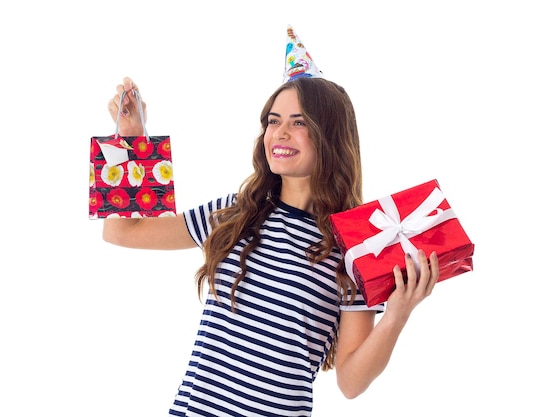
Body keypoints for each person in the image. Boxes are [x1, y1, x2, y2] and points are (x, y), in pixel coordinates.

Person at [102, 28, 439, 417]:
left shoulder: (356, 245)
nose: (279, 132)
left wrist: (398, 314)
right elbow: (120, 231)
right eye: (273, 120)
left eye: (299, 122)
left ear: (329, 135)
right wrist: (132, 138)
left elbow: (350, 382)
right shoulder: (234, 212)